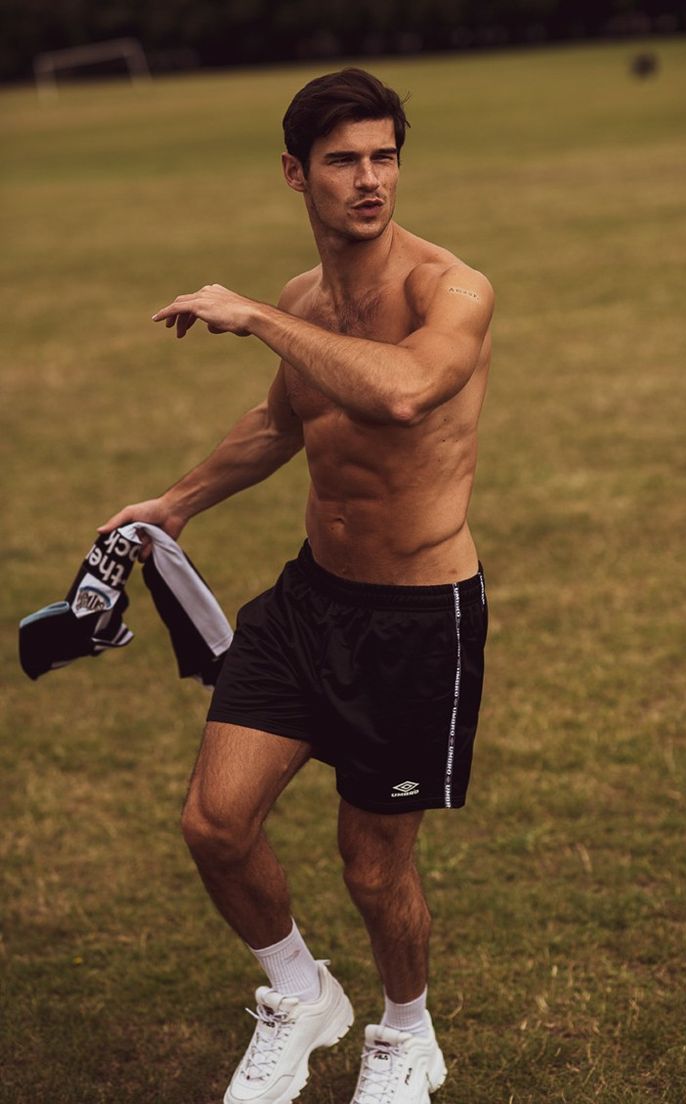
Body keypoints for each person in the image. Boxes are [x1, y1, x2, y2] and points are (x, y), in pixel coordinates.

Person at [101, 67, 494, 1104]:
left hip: (417, 620)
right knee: (214, 824)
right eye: (343, 161)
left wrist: (259, 321)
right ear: (295, 173)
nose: (370, 180)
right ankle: (299, 993)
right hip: (311, 601)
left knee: (372, 869)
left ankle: (405, 1034)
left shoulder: (451, 290)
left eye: (384, 156)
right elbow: (288, 421)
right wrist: (178, 500)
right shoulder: (307, 301)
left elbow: (404, 392)